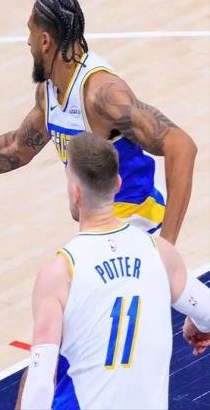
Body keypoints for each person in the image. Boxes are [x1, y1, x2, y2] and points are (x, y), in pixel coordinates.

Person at [0, 0, 197, 244]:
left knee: (60, 281)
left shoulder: (101, 93)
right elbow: (16, 148)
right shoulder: (49, 92)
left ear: (45, 40)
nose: (28, 42)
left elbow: (181, 145)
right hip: (102, 229)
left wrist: (167, 245)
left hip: (137, 226)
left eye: (30, 33)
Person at [18, 132, 209, 409]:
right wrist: (198, 323)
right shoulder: (160, 253)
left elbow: (39, 381)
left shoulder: (59, 274)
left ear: (75, 192)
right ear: (118, 183)